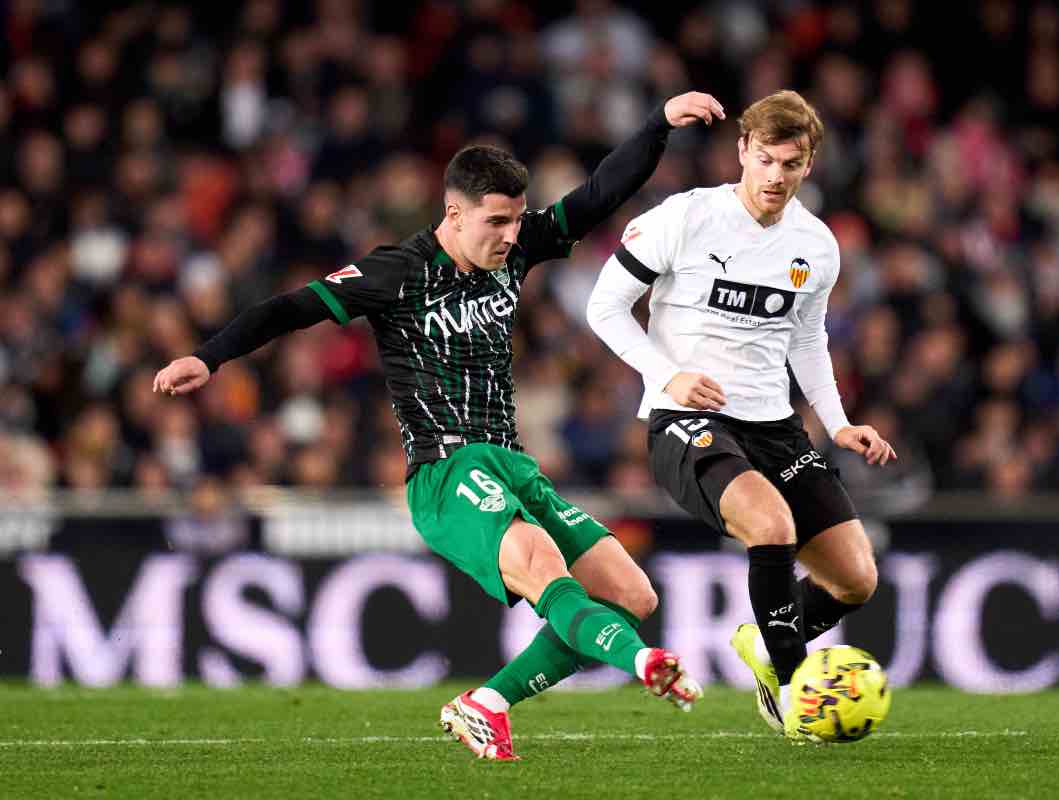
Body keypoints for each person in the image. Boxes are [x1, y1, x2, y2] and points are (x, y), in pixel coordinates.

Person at [153, 91, 726, 761]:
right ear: (453, 212)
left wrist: (658, 124)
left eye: (516, 220)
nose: (512, 235)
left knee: (631, 592)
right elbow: (289, 309)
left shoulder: (514, 251)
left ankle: (485, 705)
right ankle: (646, 666)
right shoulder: (396, 272)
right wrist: (207, 356)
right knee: (547, 574)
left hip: (511, 463)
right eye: (497, 221)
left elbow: (599, 194)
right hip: (447, 471)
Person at [585, 90, 895, 741]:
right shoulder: (686, 217)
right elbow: (604, 306)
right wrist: (668, 374)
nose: (776, 177)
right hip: (684, 419)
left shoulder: (817, 245)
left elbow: (808, 340)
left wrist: (836, 423)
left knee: (855, 578)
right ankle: (791, 690)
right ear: (742, 152)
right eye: (766, 160)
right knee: (769, 522)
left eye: (792, 163)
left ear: (809, 165)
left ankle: (767, 637)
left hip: (775, 427)